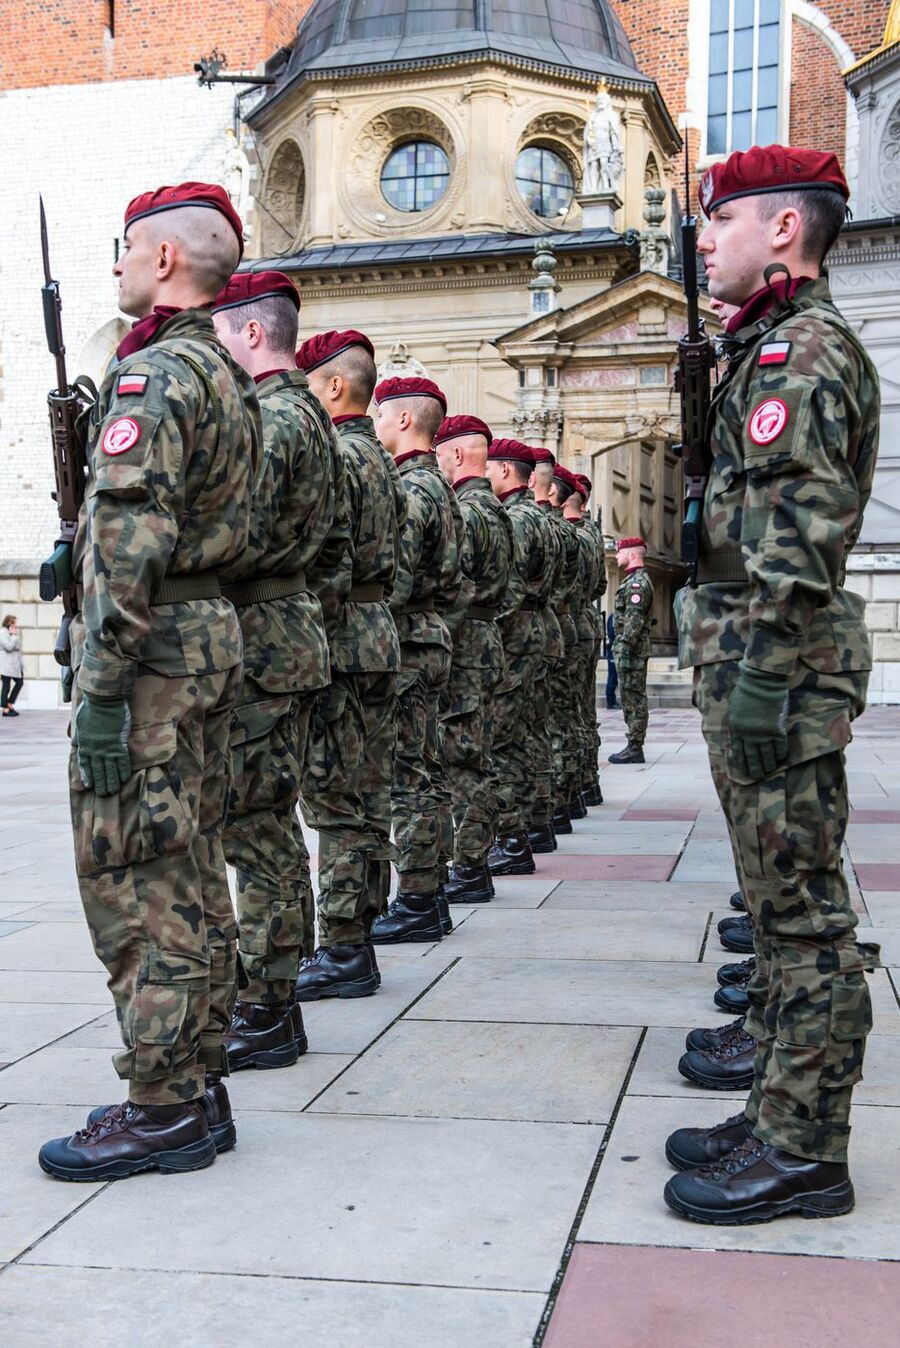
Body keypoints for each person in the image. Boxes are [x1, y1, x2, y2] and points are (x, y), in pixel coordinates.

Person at [664, 145, 881, 1225]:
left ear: (784, 228)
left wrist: (755, 678)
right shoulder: (765, 345)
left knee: (803, 918)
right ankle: (779, 1108)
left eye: (721, 221)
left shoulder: (804, 351)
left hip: (780, 662)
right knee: (778, 902)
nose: (704, 240)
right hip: (759, 652)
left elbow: (800, 534)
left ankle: (806, 1151)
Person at [39, 183, 261, 1181]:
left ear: (165, 259)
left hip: (153, 658)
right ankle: (196, 1079)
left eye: (127, 247)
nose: (118, 263)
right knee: (189, 870)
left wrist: (100, 688)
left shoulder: (154, 379)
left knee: (136, 882)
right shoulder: (223, 372)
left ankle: (163, 1101)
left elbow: (132, 541)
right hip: (201, 641)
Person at [211, 273, 348, 1067]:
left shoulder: (272, 416)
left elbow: (240, 533)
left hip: (261, 637)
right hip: (286, 631)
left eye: (220, 333)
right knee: (270, 825)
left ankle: (264, 1006)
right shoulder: (312, 417)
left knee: (253, 829)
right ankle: (276, 995)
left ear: (252, 333)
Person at [294, 329, 407, 999]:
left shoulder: (336, 454)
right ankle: (357, 931)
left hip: (340, 637)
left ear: (333, 386)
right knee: (366, 798)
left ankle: (340, 945)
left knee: (335, 802)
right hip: (377, 631)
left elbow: (326, 560)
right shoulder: (379, 459)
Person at [370, 376, 465, 944]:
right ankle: (429, 894)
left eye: (383, 414)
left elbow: (396, 579)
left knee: (408, 777)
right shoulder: (441, 486)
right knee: (424, 770)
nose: (377, 423)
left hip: (408, 641)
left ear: (404, 420)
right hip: (431, 636)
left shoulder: (410, 489)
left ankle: (418, 897)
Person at [434, 414, 514, 904]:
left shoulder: (467, 510)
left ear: (458, 454)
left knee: (462, 761)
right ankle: (474, 861)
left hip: (466, 643)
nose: (437, 462)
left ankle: (468, 865)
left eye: (442, 453)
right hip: (487, 637)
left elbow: (454, 585)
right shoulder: (497, 509)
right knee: (476, 754)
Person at [485, 439, 559, 876]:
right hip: (538, 631)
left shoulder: (516, 519)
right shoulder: (544, 518)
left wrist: (483, 624)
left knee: (502, 740)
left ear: (507, 472)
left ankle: (512, 839)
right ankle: (533, 824)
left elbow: (509, 588)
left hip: (515, 637)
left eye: (491, 467)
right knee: (529, 733)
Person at [566, 473, 607, 802]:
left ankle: (564, 798)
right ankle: (584, 784)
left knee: (560, 715)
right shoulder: (591, 534)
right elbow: (600, 586)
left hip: (562, 624)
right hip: (582, 620)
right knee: (579, 710)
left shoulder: (569, 533)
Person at [607, 537, 654, 765]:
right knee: (630, 697)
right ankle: (634, 744)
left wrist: (623, 648)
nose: (616, 556)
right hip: (630, 650)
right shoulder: (634, 580)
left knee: (634, 698)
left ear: (633, 554)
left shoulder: (637, 584)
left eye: (620, 552)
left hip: (632, 652)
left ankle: (635, 746)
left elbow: (633, 622)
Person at [1, 615, 24, 717]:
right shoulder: (2, 633)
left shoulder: (12, 633)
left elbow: (18, 646)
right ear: (8, 623)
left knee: (19, 682)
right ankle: (5, 709)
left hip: (14, 664)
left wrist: (14, 637)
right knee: (6, 686)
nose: (15, 624)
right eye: (13, 622)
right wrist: (14, 637)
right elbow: (9, 647)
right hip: (6, 665)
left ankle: (9, 703)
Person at [605, 613, 619, 709]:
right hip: (613, 649)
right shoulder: (614, 617)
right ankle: (611, 702)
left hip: (617, 649)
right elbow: (612, 634)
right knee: (612, 676)